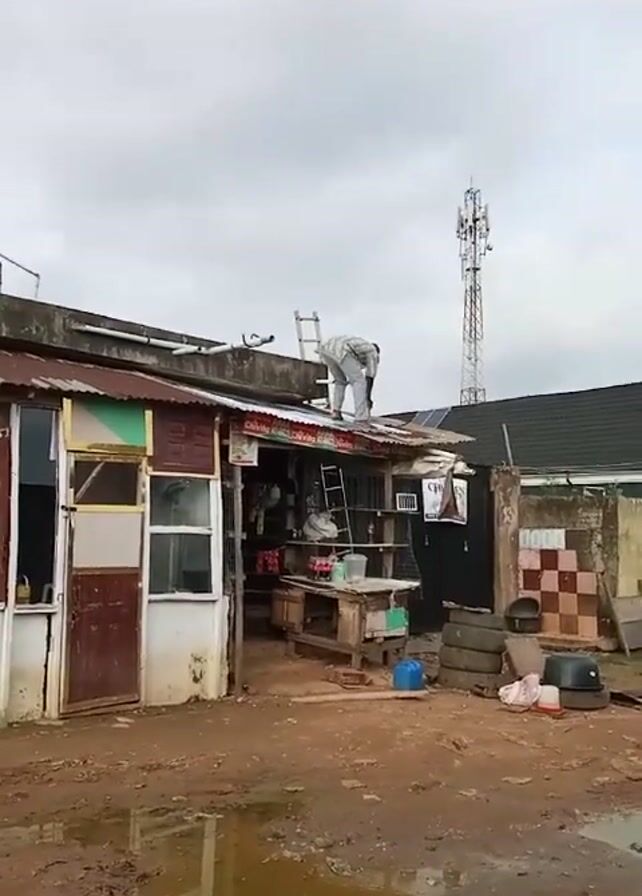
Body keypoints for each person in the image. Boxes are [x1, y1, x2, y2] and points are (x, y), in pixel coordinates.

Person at [318, 336, 380, 422]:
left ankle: (336, 411)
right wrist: (367, 398)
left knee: (340, 380)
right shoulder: (373, 352)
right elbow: (370, 376)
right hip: (342, 350)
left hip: (326, 349)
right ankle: (361, 417)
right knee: (359, 381)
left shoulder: (361, 348)